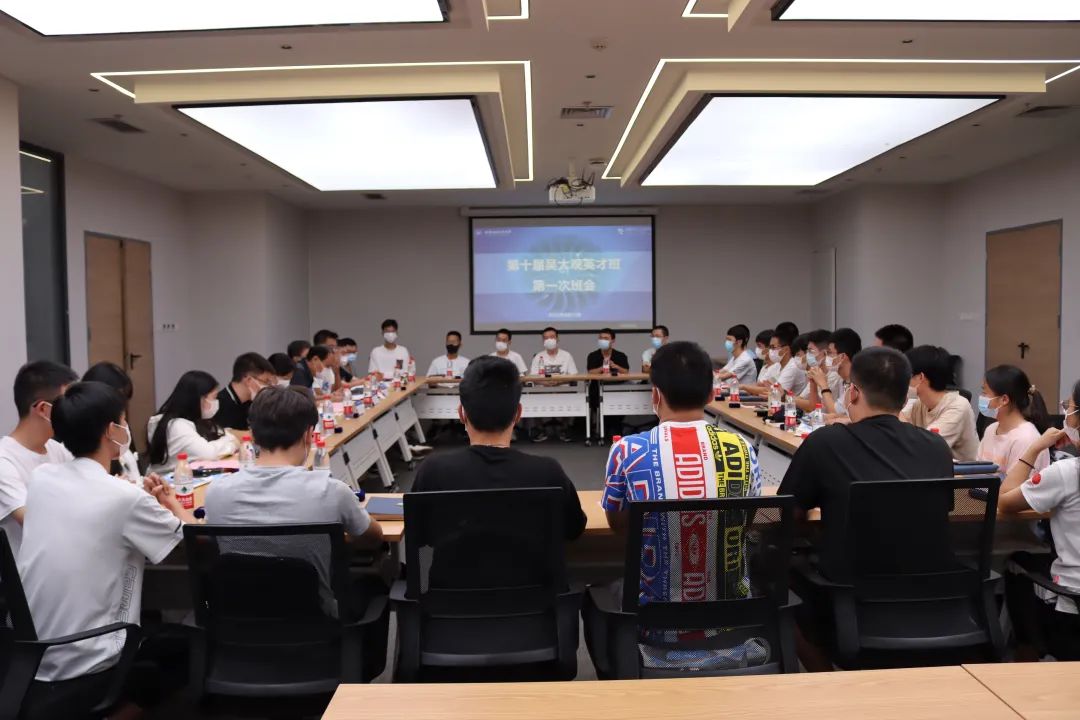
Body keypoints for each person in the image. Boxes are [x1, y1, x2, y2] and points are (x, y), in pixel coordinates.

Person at [777, 347, 954, 670]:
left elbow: (785, 515)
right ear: (905, 396)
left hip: (848, 600)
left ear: (853, 393)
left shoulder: (825, 443)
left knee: (774, 574)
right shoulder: (936, 447)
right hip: (932, 601)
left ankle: (828, 681)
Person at [18, 381, 194, 692]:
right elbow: (193, 542)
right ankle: (116, 709)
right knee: (193, 645)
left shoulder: (42, 478)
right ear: (111, 431)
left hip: (32, 655)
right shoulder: (124, 498)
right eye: (123, 421)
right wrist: (172, 504)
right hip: (89, 658)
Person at [601, 341, 764, 670]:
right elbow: (753, 520)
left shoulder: (627, 451)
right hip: (730, 622)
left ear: (655, 395)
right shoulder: (742, 448)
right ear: (711, 394)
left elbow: (618, 526)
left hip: (655, 625)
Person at [205, 386, 384, 614]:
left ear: (253, 435)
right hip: (314, 620)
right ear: (308, 435)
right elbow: (373, 538)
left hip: (238, 621)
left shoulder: (217, 492)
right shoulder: (332, 491)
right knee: (376, 581)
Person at [411, 356, 587, 583]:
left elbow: (418, 535)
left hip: (450, 602)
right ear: (518, 413)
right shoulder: (548, 473)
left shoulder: (432, 472)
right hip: (534, 601)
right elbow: (574, 529)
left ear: (462, 413)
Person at [999, 381, 1080, 661]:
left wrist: (1034, 449)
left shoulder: (1066, 472)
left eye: (1069, 408)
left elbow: (1004, 500)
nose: (1066, 415)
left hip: (1072, 608)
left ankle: (1029, 654)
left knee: (1017, 561)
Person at [0, 361, 77, 556]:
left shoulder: (59, 450)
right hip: (29, 572)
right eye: (68, 402)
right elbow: (34, 522)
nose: (76, 410)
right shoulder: (4, 460)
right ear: (43, 409)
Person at [148, 371, 239, 473]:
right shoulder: (175, 425)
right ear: (199, 399)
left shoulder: (196, 421)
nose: (216, 402)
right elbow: (208, 454)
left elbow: (226, 435)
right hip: (169, 479)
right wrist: (232, 444)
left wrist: (230, 440)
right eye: (214, 398)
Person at [900, 345, 979, 461]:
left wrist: (896, 405)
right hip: (932, 468)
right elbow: (895, 425)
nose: (903, 381)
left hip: (963, 471)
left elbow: (927, 447)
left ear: (920, 377)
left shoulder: (958, 406)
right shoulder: (920, 404)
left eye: (906, 376)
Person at [977, 365, 1051, 479]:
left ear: (1004, 400)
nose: (981, 397)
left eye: (985, 393)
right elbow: (977, 473)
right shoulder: (991, 429)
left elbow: (1015, 487)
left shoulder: (1026, 438)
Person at [82, 361, 141, 484]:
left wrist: (145, 487)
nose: (122, 412)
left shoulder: (121, 434)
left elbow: (135, 478)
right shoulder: (79, 449)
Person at [529, 327, 579, 443]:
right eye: (546, 338)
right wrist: (545, 383)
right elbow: (532, 377)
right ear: (543, 341)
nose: (549, 340)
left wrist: (559, 382)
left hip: (563, 388)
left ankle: (564, 428)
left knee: (570, 395)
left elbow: (574, 376)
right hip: (542, 390)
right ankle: (540, 429)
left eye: (551, 337)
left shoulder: (566, 355)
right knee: (533, 397)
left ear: (557, 338)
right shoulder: (538, 356)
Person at [587, 328, 631, 442]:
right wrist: (602, 367)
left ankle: (616, 427)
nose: (603, 340)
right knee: (594, 394)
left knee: (623, 396)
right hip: (598, 388)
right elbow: (590, 372)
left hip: (618, 387)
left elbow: (626, 371)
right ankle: (603, 428)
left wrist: (616, 366)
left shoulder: (620, 355)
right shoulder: (593, 355)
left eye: (606, 338)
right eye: (601, 338)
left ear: (613, 340)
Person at [214, 352, 275, 430]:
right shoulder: (218, 406)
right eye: (266, 382)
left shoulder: (255, 403)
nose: (269, 386)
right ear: (249, 380)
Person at [811, 327, 861, 420]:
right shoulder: (842, 380)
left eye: (829, 353)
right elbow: (822, 409)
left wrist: (823, 385)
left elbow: (834, 411)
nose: (826, 358)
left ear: (842, 356)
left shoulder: (858, 381)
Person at [745, 325, 807, 397]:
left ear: (786, 349)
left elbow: (776, 393)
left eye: (773, 347)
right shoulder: (777, 365)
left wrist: (744, 387)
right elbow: (761, 385)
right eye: (769, 347)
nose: (770, 351)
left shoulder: (793, 366)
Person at [794, 329, 833, 413]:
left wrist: (788, 398)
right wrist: (812, 383)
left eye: (810, 351)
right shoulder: (816, 371)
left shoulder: (834, 375)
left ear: (825, 353)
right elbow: (811, 404)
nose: (807, 355)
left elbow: (817, 407)